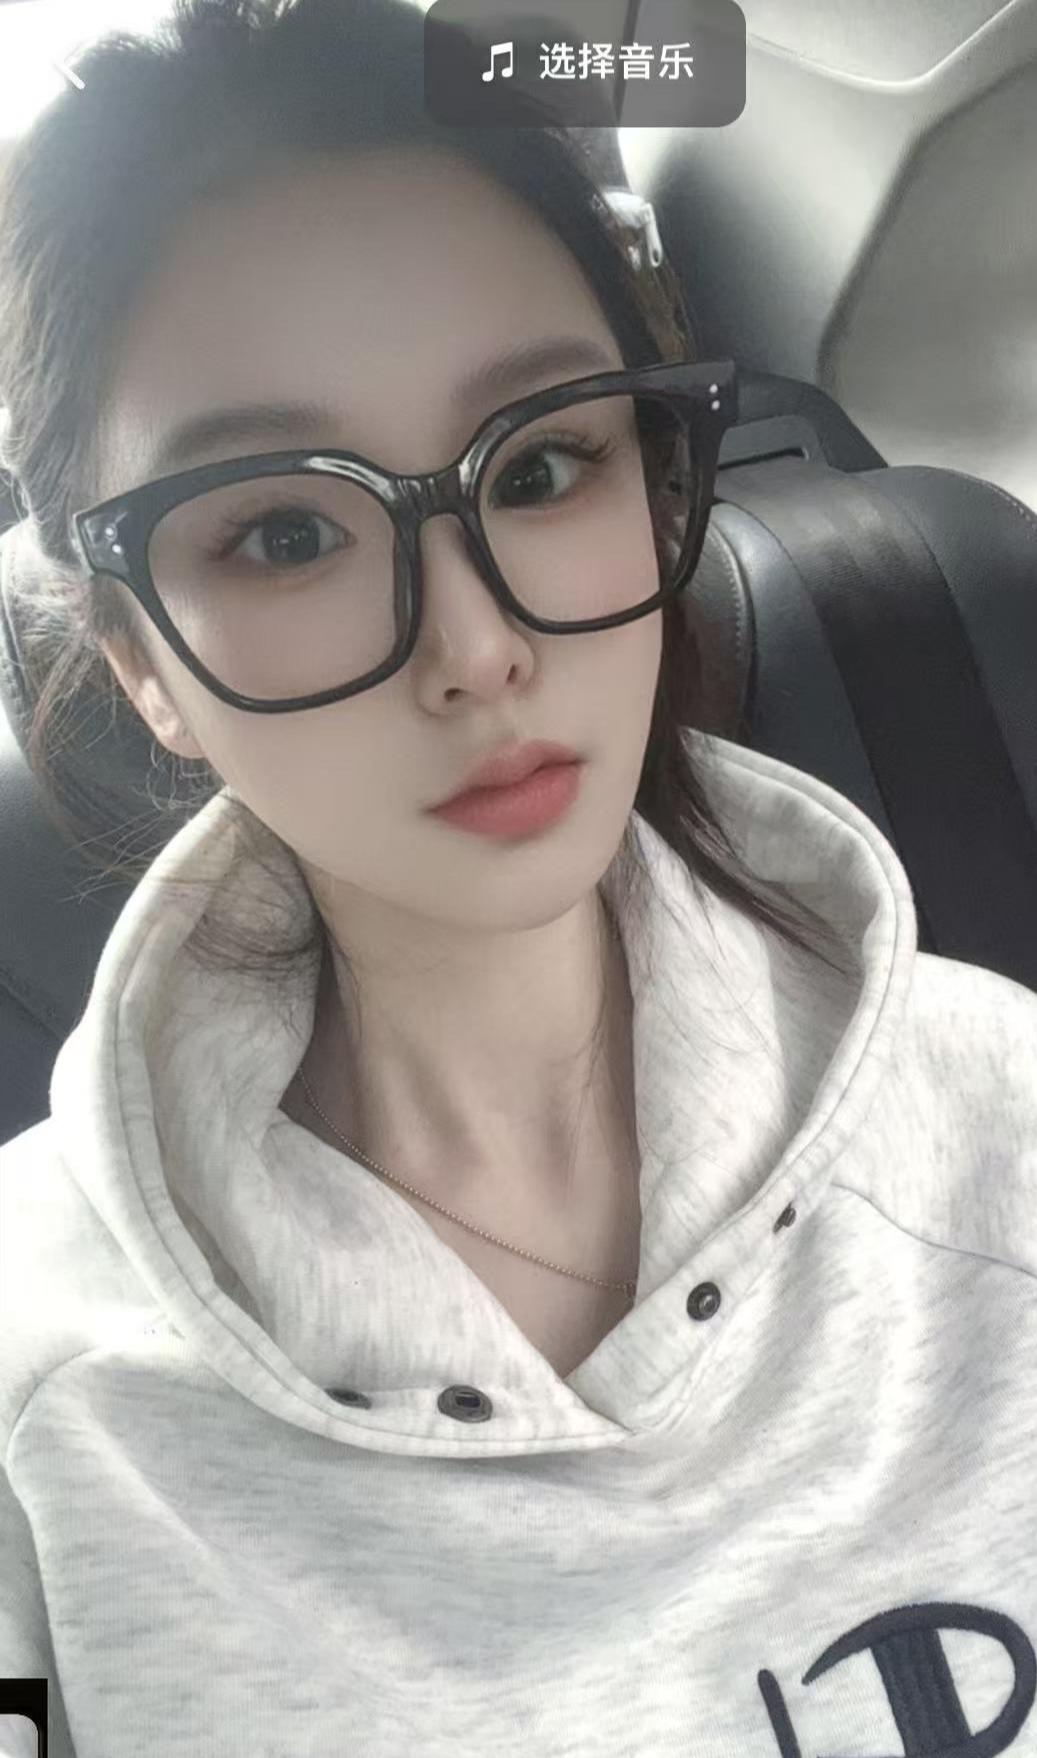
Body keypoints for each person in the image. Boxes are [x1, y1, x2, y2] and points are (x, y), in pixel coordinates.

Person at [1, 1, 1036, 1754]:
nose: (475, 647)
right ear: (139, 659)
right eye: (286, 531)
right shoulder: (41, 1401)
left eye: (543, 463)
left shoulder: (1002, 1112)